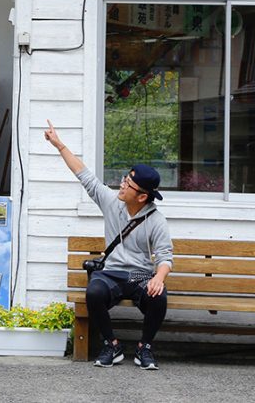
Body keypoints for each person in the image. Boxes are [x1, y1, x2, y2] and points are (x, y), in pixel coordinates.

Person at [44, 119, 173, 369]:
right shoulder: (113, 202)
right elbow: (85, 176)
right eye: (125, 179)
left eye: (128, 185)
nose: (122, 185)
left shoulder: (156, 220)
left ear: (142, 196)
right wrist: (59, 145)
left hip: (139, 275)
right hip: (111, 273)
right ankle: (111, 345)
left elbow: (165, 256)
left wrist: (159, 277)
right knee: (94, 291)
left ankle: (144, 348)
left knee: (159, 296)